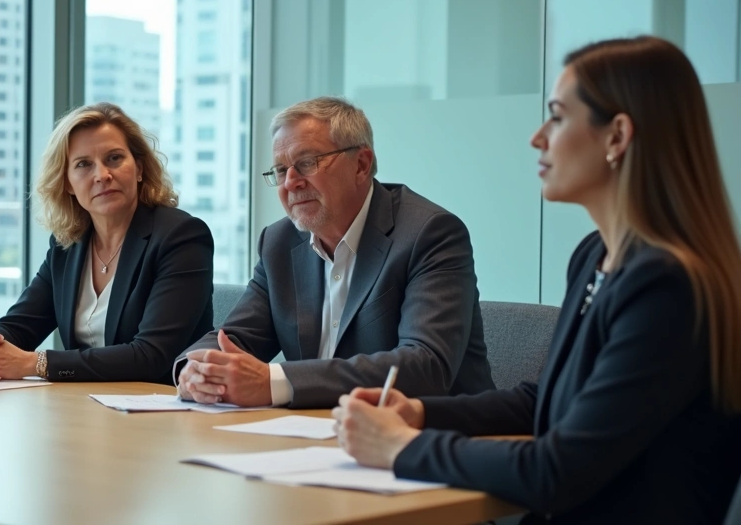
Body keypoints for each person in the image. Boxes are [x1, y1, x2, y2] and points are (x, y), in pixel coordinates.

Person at [334, 36, 741, 523]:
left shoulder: (669, 286)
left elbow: (558, 470)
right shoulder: (597, 256)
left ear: (617, 137)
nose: (537, 137)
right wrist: (421, 414)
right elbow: (544, 401)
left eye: (557, 115)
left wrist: (402, 448)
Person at [176, 97, 494, 409]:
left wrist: (273, 382)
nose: (291, 183)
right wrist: (194, 371)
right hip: (316, 435)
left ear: (361, 164)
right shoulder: (279, 242)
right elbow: (233, 340)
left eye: (307, 163)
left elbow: (424, 366)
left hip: (434, 440)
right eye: (281, 170)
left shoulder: (429, 233)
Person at [0, 103, 214, 385]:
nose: (102, 175)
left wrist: (36, 363)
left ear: (139, 168)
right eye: (83, 164)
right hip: (85, 410)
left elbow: (151, 356)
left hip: (163, 414)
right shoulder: (68, 245)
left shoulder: (181, 237)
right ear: (67, 183)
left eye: (114, 158)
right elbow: (20, 324)